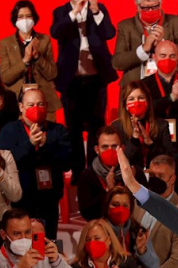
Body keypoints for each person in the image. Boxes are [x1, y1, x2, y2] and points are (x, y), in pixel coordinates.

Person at [50, 0, 117, 183]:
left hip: (96, 80)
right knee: (74, 129)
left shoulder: (99, 8)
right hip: (71, 81)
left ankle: (95, 171)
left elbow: (109, 33)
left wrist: (95, 11)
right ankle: (78, 172)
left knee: (96, 127)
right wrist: (74, 13)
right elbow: (56, 32)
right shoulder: (61, 11)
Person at [0, 87, 71, 239]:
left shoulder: (58, 131)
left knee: (48, 242)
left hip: (49, 200)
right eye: (31, 105)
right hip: (20, 200)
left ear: (46, 106)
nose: (36, 109)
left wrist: (47, 145)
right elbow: (5, 163)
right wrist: (29, 144)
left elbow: (67, 163)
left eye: (40, 104)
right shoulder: (9, 130)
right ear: (21, 107)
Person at [142, 40, 178, 204]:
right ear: (154, 57)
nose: (168, 60)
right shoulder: (146, 84)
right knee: (157, 194)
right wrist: (172, 97)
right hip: (157, 145)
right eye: (163, 55)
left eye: (172, 56)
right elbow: (148, 110)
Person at [0, 1, 61, 121]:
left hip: (43, 101)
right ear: (15, 19)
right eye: (21, 16)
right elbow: (5, 77)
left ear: (34, 18)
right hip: (17, 103)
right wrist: (25, 60)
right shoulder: (6, 44)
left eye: (28, 16)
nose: (25, 20)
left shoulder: (44, 40)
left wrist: (37, 57)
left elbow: (52, 73)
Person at [113, 0, 178, 88]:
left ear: (160, 4)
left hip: (170, 85)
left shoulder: (176, 22)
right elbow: (117, 63)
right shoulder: (125, 26)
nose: (150, 10)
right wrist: (143, 50)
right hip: (136, 87)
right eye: (146, 8)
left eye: (154, 7)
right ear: (138, 7)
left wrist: (162, 44)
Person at [112, 80, 174, 170]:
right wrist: (134, 139)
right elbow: (119, 163)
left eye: (141, 98)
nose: (137, 102)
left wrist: (150, 144)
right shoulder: (117, 127)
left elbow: (169, 158)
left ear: (148, 102)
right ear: (125, 105)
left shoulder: (161, 125)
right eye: (131, 99)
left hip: (155, 174)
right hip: (130, 175)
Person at [103, 186, 158, 268]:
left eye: (125, 206)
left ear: (130, 209)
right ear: (107, 207)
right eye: (115, 205)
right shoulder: (97, 231)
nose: (120, 209)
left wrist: (142, 252)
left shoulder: (139, 232)